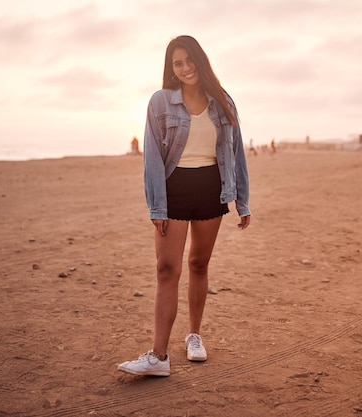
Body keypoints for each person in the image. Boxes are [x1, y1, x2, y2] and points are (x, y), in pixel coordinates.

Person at [117, 35, 251, 377]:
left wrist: (243, 200)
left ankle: (194, 335)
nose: (185, 68)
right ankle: (158, 356)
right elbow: (152, 157)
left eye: (189, 60)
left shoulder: (223, 102)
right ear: (171, 69)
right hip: (173, 191)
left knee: (198, 264)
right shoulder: (161, 102)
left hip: (211, 190)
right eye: (178, 63)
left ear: (200, 61)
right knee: (166, 269)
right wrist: (157, 206)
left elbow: (235, 153)